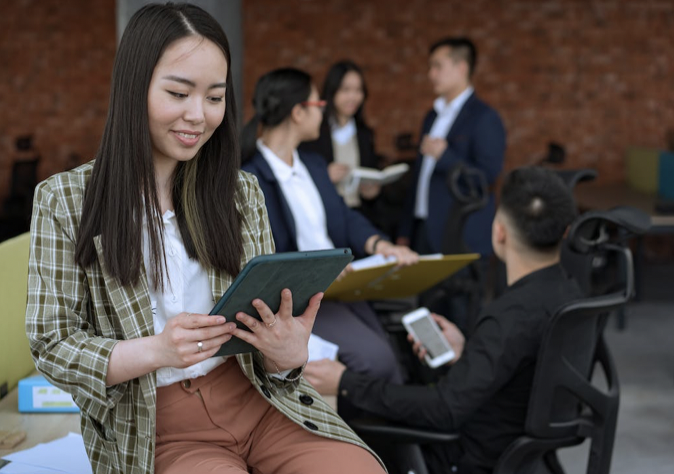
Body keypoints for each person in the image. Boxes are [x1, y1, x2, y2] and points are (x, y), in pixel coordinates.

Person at [25, 4, 385, 474]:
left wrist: (287, 354)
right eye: (178, 92)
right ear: (135, 87)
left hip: (260, 402)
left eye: (215, 98)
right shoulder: (65, 199)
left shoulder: (240, 192)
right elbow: (52, 344)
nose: (198, 115)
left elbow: (266, 328)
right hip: (156, 421)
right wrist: (157, 350)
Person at [305, 166, 583, 474]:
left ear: (499, 232)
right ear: (566, 231)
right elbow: (532, 370)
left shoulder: (507, 317)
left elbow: (444, 409)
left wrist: (346, 382)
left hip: (473, 458)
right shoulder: (571, 295)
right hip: (526, 454)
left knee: (355, 437)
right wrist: (469, 354)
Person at [241, 68, 418, 410]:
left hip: (343, 289)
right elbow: (262, 253)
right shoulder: (250, 178)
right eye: (318, 103)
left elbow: (345, 218)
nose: (323, 112)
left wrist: (381, 245)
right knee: (376, 362)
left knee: (394, 357)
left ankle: (391, 446)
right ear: (298, 112)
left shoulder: (314, 164)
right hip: (303, 299)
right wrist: (318, 271)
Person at [396, 37, 507, 330]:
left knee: (460, 318)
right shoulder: (432, 115)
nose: (431, 74)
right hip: (425, 232)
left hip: (461, 237)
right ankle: (433, 375)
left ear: (461, 67)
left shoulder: (484, 118)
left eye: (438, 66)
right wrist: (406, 230)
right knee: (426, 314)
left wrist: (446, 156)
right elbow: (420, 178)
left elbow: (486, 179)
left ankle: (463, 375)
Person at [300, 60, 381, 220]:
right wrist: (324, 176)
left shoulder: (365, 134)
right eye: (346, 90)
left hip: (358, 215)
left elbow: (372, 173)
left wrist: (373, 191)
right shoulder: (313, 132)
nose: (353, 96)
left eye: (358, 90)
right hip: (324, 215)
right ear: (332, 91)